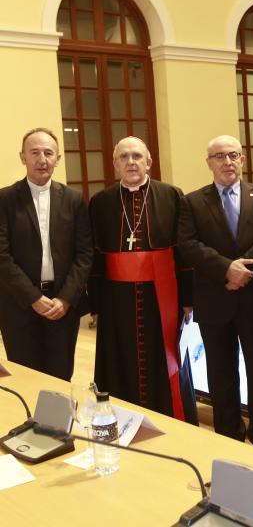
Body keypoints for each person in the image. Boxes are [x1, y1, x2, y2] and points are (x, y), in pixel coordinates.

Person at [177, 135, 253, 450]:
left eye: (233, 155)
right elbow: (187, 244)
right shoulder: (193, 201)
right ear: (208, 162)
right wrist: (226, 270)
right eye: (219, 156)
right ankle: (229, 440)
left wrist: (243, 271)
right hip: (215, 299)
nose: (227, 162)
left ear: (243, 159)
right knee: (221, 376)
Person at [88, 136, 197, 423]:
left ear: (149, 161)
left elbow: (183, 253)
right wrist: (95, 304)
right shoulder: (101, 202)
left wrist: (188, 300)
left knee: (164, 359)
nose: (131, 162)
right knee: (119, 359)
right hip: (115, 298)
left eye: (137, 156)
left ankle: (169, 419)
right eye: (123, 157)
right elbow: (96, 258)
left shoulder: (171, 195)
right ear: (115, 164)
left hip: (161, 297)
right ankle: (122, 420)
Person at [0, 128, 93, 380]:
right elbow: (2, 256)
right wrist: (33, 297)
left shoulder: (73, 199)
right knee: (26, 377)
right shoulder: (5, 199)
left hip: (61, 306)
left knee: (60, 377)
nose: (42, 159)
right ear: (23, 157)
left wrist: (65, 299)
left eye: (48, 153)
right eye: (35, 152)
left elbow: (84, 254)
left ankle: (59, 422)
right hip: (18, 305)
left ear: (58, 159)